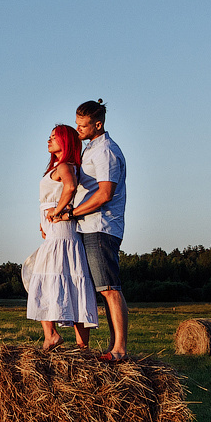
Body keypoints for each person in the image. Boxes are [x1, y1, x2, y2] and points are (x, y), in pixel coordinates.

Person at [23, 123, 97, 348]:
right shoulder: (60, 165)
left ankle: (51, 336)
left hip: (60, 235)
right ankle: (81, 345)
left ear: (66, 142)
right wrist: (44, 219)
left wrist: (55, 212)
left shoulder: (65, 165)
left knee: (45, 278)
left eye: (54, 137)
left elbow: (70, 187)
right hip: (59, 233)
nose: (49, 140)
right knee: (71, 281)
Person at [65, 100, 128, 358]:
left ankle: (120, 348)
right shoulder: (91, 148)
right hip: (87, 226)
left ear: (98, 124)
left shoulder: (106, 151)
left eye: (83, 125)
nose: (78, 129)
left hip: (100, 227)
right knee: (93, 287)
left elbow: (105, 194)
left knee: (109, 287)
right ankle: (93, 348)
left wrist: (73, 212)